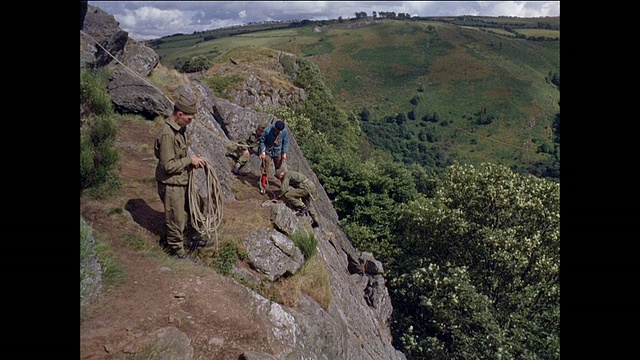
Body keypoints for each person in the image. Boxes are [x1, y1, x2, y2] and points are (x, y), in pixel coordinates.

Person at [154, 93, 206, 259]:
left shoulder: (180, 129)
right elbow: (168, 166)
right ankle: (177, 252)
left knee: (196, 206)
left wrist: (191, 161)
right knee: (176, 220)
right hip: (171, 184)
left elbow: (178, 157)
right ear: (180, 115)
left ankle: (194, 237)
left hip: (181, 180)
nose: (191, 123)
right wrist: (188, 160)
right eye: (189, 119)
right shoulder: (168, 134)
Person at [259, 120, 289, 194]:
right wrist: (262, 152)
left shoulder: (284, 131)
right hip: (268, 151)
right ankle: (263, 185)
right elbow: (262, 141)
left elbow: (286, 142)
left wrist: (284, 152)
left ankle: (283, 186)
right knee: (265, 168)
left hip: (278, 152)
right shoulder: (268, 130)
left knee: (280, 169)